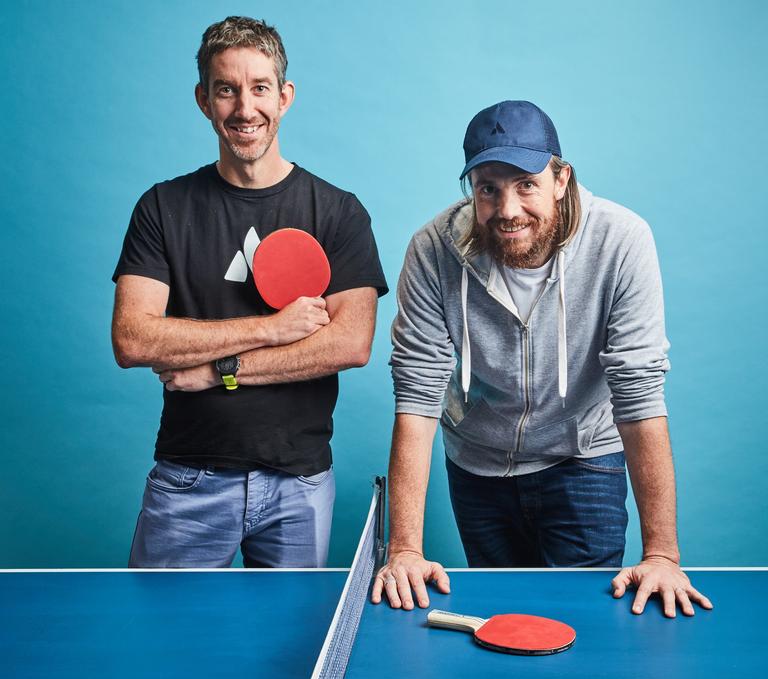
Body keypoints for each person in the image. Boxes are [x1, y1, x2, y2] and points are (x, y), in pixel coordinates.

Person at [372, 100, 711, 618]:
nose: (507, 209)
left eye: (525, 184)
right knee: (503, 620)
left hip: (583, 459)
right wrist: (404, 550)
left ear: (561, 178)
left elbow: (639, 393)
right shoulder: (432, 251)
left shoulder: (620, 241)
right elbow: (417, 395)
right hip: (478, 465)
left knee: (580, 624)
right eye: (489, 188)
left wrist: (662, 554)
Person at [111, 16, 388, 568]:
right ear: (203, 100)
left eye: (260, 88)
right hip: (187, 478)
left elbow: (349, 344)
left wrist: (220, 369)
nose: (245, 108)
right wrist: (271, 327)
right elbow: (133, 339)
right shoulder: (161, 208)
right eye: (226, 89)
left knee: (289, 654)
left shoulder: (339, 212)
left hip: (300, 481)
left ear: (284, 97)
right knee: (166, 644)